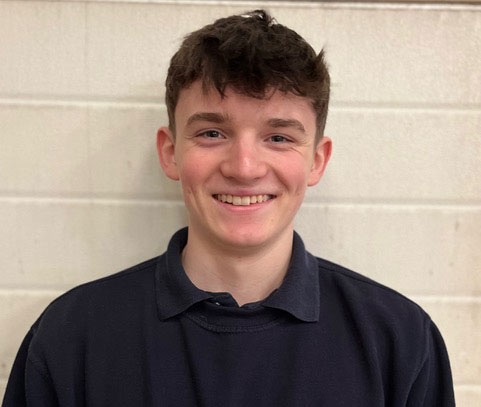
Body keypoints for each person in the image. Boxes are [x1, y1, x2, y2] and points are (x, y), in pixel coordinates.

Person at [3, 9, 455, 406]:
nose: (244, 168)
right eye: (212, 133)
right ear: (170, 153)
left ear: (316, 161)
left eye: (278, 137)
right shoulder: (71, 338)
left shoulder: (399, 341)